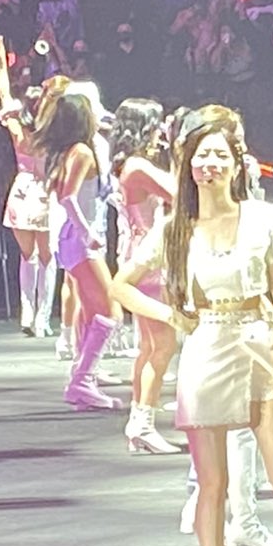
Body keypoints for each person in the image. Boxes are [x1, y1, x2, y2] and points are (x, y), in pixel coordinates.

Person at [111, 105, 273, 546]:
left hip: (258, 340)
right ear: (188, 163)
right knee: (212, 483)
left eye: (219, 155)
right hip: (207, 344)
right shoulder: (174, 227)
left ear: (236, 164)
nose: (209, 164)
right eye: (200, 155)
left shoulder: (264, 217)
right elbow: (121, 284)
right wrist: (170, 314)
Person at [34, 70, 121, 411]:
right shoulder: (82, 151)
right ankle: (82, 380)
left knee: (92, 311)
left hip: (72, 239)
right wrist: (87, 232)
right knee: (109, 310)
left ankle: (84, 376)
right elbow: (68, 197)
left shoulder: (68, 151)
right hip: (80, 240)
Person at [109, 98, 181, 453]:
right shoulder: (137, 167)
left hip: (140, 255)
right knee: (163, 345)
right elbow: (181, 192)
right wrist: (179, 149)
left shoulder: (129, 164)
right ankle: (143, 424)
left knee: (150, 346)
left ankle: (139, 423)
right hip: (149, 262)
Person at [0, 38, 52, 336]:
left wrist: (1, 63)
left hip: (24, 190)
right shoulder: (53, 132)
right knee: (47, 257)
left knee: (29, 256)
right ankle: (41, 317)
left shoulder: (18, 130)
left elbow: (4, 95)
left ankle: (28, 313)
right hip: (44, 191)